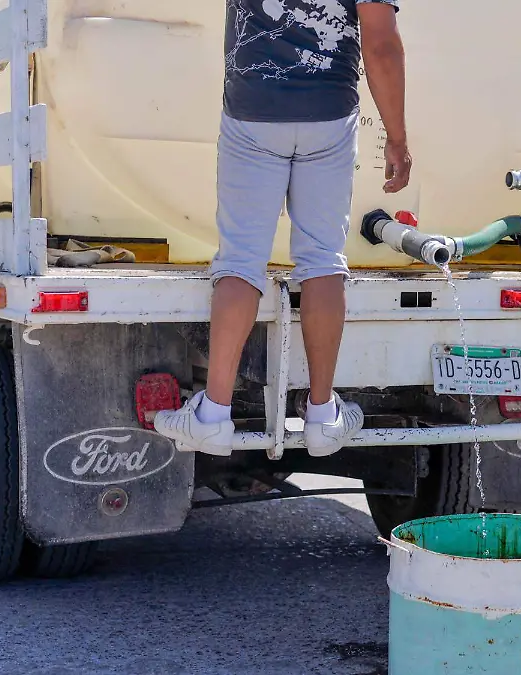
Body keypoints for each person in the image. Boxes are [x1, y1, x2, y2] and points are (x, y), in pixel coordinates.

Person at [155, 0, 411, 458]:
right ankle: (322, 417)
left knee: (240, 259)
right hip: (329, 116)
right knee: (322, 258)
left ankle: (212, 416)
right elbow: (382, 44)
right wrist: (397, 137)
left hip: (252, 113)